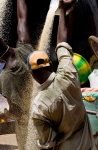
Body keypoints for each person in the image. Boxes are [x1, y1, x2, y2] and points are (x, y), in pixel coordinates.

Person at [26, 1, 97, 150]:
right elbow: (62, 42)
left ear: (32, 73)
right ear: (51, 65)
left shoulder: (39, 107)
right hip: (88, 144)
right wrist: (63, 10)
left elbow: (47, 143)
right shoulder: (69, 74)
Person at [0, 0, 34, 149]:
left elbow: (17, 111)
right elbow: (22, 17)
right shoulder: (24, 46)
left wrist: (2, 115)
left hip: (29, 126)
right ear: (2, 40)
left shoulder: (6, 77)